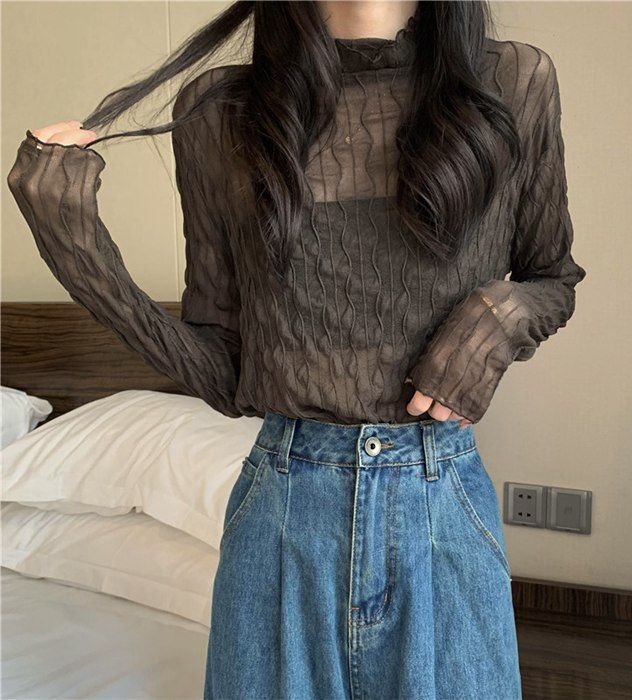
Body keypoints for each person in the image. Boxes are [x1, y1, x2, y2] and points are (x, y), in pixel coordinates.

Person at [6, 1, 586, 698]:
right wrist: (78, 250)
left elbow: (552, 277)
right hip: (280, 518)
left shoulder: (512, 81)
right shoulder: (221, 111)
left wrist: (499, 316)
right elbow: (226, 370)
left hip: (442, 512)